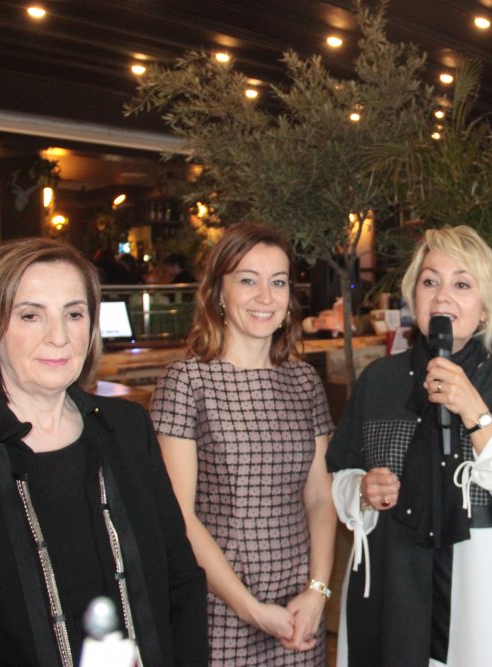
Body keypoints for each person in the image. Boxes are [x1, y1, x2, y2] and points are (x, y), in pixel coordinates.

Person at [0, 238, 208, 666]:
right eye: (31, 315)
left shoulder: (128, 430)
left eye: (74, 314)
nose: (59, 337)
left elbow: (180, 578)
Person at [326, 225, 492, 667]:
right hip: (387, 579)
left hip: (474, 589)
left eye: (462, 284)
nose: (442, 297)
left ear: (486, 307)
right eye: (430, 281)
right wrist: (362, 489)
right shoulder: (379, 380)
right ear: (413, 296)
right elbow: (338, 477)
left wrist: (476, 413)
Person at [150, 222, 336, 665]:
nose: (265, 297)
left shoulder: (304, 381)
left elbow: (320, 496)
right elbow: (179, 515)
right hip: (219, 604)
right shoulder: (187, 380)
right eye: (248, 281)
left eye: (278, 282)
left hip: (299, 607)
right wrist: (248, 607)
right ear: (219, 291)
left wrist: (317, 591)